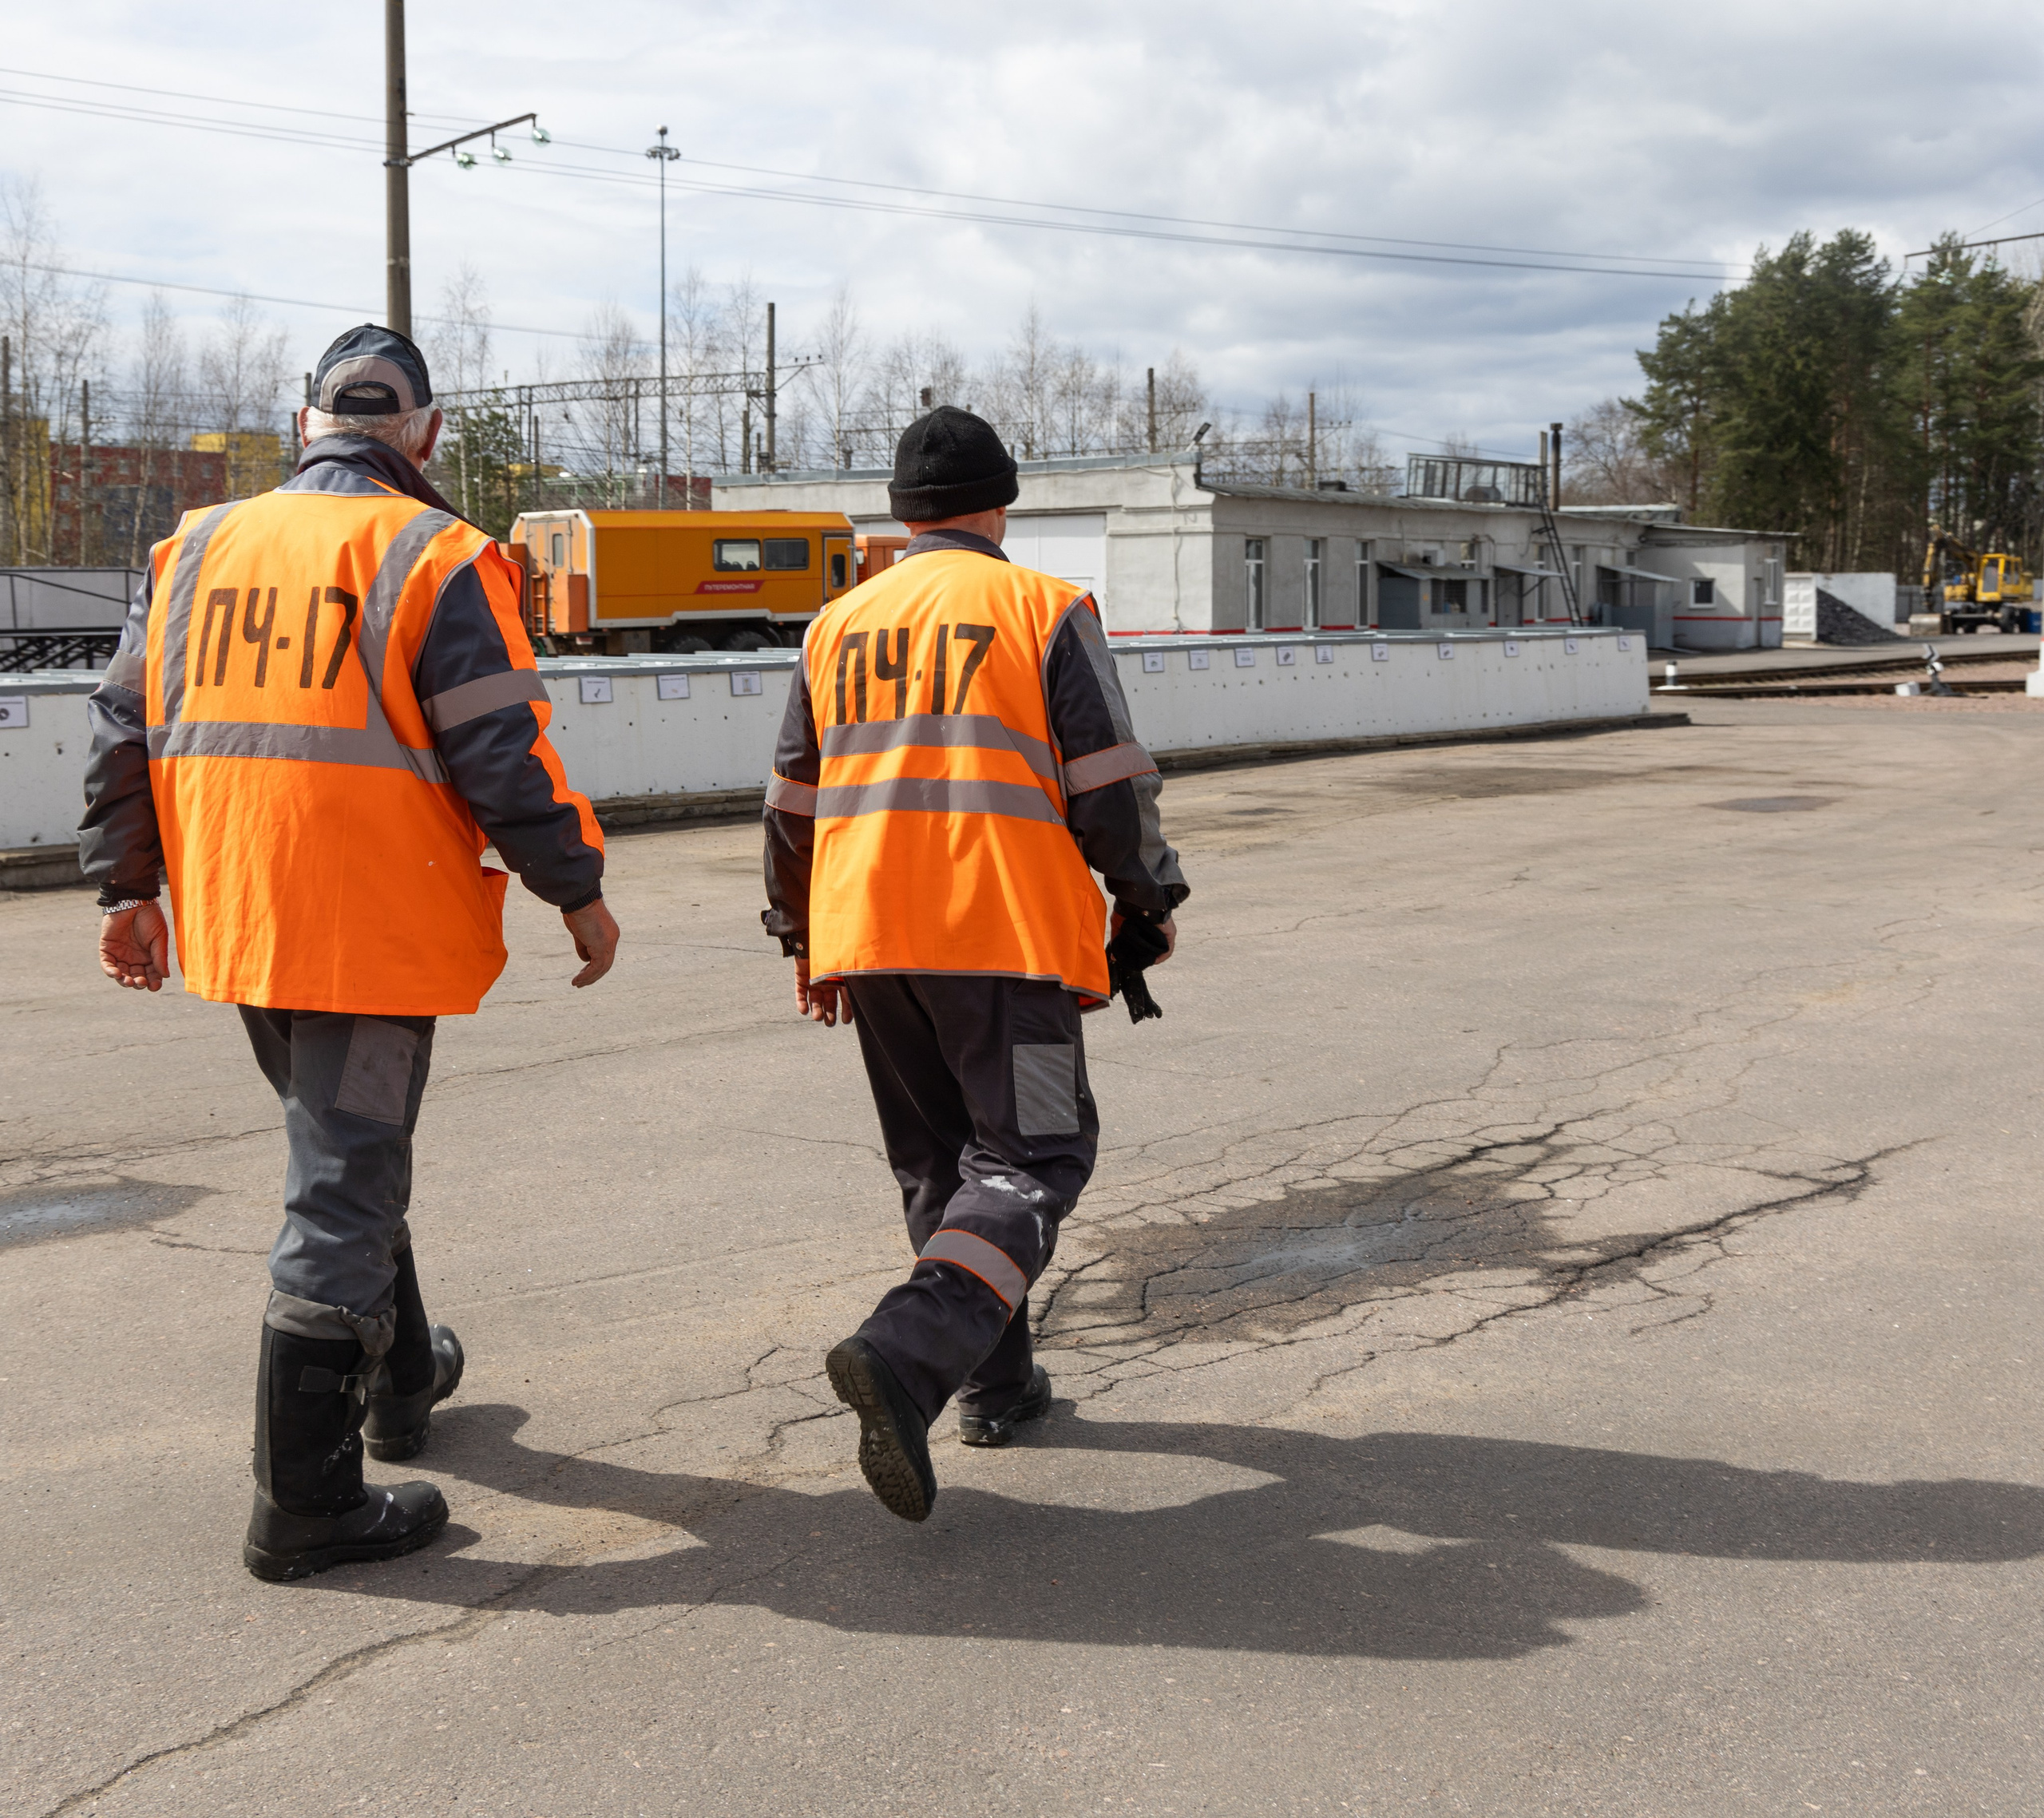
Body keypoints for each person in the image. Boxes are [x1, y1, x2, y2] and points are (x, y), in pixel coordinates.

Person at [79, 324, 619, 1581]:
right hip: (365, 930)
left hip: (242, 916)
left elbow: (123, 727)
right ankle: (307, 1505)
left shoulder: (195, 545)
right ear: (421, 432)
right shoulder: (435, 552)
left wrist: (129, 886)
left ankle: (401, 1385)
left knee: (343, 1150)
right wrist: (575, 889)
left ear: (306, 420)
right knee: (343, 1184)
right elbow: (499, 749)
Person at [762, 406, 1189, 1522]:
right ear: (1002, 504)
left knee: (942, 1166)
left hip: (871, 940)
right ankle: (906, 1357)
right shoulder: (1041, 608)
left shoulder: (835, 625)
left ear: (903, 516)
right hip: (1000, 938)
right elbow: (1110, 782)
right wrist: (1147, 898)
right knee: (1032, 1161)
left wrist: (803, 934)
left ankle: (995, 1383)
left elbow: (793, 802)